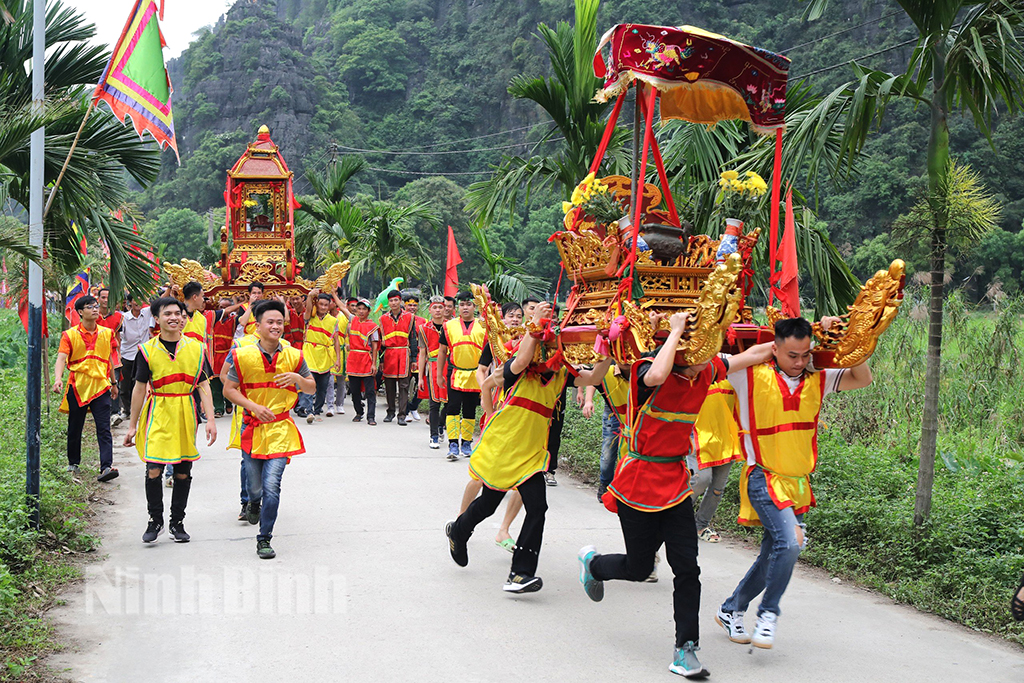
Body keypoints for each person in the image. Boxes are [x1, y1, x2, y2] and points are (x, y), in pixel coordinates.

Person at [577, 312, 773, 679]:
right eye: (700, 353)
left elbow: (754, 355)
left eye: (710, 352)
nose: (707, 361)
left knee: (688, 568)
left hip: (674, 483)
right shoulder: (643, 371)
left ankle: (686, 648)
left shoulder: (707, 369)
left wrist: (799, 342)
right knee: (638, 568)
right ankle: (594, 565)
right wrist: (678, 330)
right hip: (638, 480)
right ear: (682, 348)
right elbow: (655, 376)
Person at [716, 316, 871, 651]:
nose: (800, 362)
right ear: (775, 349)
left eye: (805, 354)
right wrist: (761, 354)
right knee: (791, 544)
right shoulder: (748, 376)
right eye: (792, 356)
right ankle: (768, 614)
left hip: (798, 483)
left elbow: (862, 377)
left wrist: (846, 342)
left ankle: (731, 609)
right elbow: (718, 363)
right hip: (763, 476)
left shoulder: (817, 378)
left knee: (774, 553)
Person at [447, 299, 614, 593]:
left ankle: (520, 574)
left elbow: (595, 377)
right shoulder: (517, 366)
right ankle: (459, 531)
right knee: (488, 503)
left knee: (538, 507)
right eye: (543, 337)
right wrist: (535, 321)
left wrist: (610, 349)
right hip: (504, 441)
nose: (549, 345)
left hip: (532, 450)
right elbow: (523, 360)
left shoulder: (562, 371)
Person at [223, 299, 315, 559]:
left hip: (280, 429)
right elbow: (228, 389)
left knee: (272, 486)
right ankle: (252, 502)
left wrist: (298, 379)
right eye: (270, 322)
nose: (276, 326)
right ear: (258, 325)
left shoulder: (294, 356)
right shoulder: (243, 354)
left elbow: (311, 387)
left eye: (279, 322)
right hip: (252, 428)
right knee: (255, 487)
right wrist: (252, 406)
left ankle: (264, 538)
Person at [124, 297, 217, 544]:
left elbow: (204, 384)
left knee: (183, 472)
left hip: (186, 413)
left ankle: (177, 522)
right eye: (168, 314)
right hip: (157, 413)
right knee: (154, 469)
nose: (174, 318)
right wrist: (132, 425)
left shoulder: (197, 349)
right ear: (157, 318)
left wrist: (210, 418)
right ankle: (155, 520)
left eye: (178, 313)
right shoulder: (147, 351)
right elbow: (138, 389)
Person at [51, 295, 120, 482]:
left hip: (101, 386)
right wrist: (58, 379)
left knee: (104, 428)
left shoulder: (107, 333)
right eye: (90, 307)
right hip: (78, 385)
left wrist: (114, 384)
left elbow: (109, 361)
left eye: (96, 306)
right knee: (75, 426)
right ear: (80, 312)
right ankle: (73, 463)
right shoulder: (70, 335)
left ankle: (106, 466)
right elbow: (61, 358)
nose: (95, 309)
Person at [687, 377, 743, 543]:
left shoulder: (735, 372)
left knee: (717, 489)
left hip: (726, 438)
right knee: (701, 480)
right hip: (698, 436)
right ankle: (677, 518)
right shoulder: (694, 373)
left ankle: (700, 524)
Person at [437, 290, 486, 460]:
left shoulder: (483, 326)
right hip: (455, 372)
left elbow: (490, 354)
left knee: (470, 409)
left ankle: (466, 442)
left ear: (475, 306)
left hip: (476, 374)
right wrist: (439, 374)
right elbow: (442, 352)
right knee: (452, 408)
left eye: (469, 304)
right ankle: (452, 443)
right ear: (457, 307)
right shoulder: (449, 326)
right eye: (462, 304)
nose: (465, 308)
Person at [300, 289, 339, 424]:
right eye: (320, 304)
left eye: (325, 305)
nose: (322, 307)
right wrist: (310, 296)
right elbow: (308, 309)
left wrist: (338, 359)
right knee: (309, 383)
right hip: (310, 353)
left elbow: (336, 341)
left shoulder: (333, 321)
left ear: (329, 306)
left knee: (322, 387)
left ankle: (317, 411)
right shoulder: (310, 317)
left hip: (325, 356)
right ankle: (309, 411)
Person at [416, 295, 448, 449]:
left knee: (450, 403)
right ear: (430, 309)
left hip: (450, 367)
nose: (437, 310)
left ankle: (441, 424)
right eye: (434, 307)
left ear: (445, 309)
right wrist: (420, 377)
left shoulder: (451, 326)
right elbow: (423, 354)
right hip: (432, 367)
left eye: (440, 307)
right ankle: (434, 436)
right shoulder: (424, 329)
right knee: (434, 404)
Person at [379, 290, 415, 425]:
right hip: (389, 354)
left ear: (400, 301)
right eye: (391, 301)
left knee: (404, 386)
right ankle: (390, 412)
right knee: (389, 385)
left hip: (404, 354)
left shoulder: (409, 317)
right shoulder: (383, 319)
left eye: (396, 300)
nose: (393, 303)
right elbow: (381, 342)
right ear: (388, 303)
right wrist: (381, 360)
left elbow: (412, 339)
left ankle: (402, 415)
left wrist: (414, 359)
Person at [118, 294, 153, 422]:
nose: (138, 302)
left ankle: (138, 410)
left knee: (140, 384)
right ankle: (127, 410)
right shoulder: (124, 318)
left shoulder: (147, 312)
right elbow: (119, 336)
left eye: (140, 299)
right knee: (125, 385)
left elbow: (160, 303)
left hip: (142, 355)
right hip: (127, 354)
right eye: (135, 300)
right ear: (130, 302)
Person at [344, 299, 380, 425]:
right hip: (353, 359)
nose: (361, 311)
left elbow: (375, 346)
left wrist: (374, 364)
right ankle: (359, 412)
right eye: (359, 308)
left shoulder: (372, 326)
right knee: (354, 391)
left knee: (370, 391)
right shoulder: (353, 320)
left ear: (368, 311)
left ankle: (371, 416)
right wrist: (333, 293)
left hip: (366, 359)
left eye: (364, 309)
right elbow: (342, 308)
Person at [207, 296, 241, 417]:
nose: (224, 310)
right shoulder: (213, 318)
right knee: (215, 383)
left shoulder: (234, 320)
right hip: (215, 354)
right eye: (221, 307)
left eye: (226, 307)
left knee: (228, 380)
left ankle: (229, 402)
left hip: (227, 354)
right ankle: (219, 408)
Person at [96, 287, 124, 417]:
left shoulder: (118, 317)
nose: (106, 300)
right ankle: (101, 410)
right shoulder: (93, 315)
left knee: (115, 381)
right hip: (96, 354)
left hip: (113, 353)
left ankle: (115, 411)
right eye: (103, 297)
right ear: (98, 298)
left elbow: (121, 335)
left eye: (109, 297)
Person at [403, 293, 426, 422]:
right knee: (405, 385)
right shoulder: (401, 318)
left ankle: (413, 407)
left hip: (419, 356)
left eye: (414, 305)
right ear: (404, 305)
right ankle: (404, 411)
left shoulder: (422, 321)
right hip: (405, 355)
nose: (412, 307)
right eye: (409, 305)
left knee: (422, 384)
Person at [327, 289, 349, 416]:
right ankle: (329, 404)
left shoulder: (343, 317)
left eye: (330, 301)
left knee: (341, 380)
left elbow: (348, 333)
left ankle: (339, 404)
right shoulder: (323, 317)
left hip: (340, 350)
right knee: (328, 380)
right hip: (328, 351)